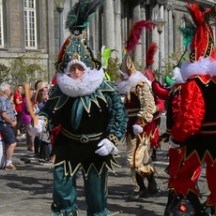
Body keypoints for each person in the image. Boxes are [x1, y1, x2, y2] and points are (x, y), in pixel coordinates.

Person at [29, 1, 128, 215]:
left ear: (88, 67)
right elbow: (50, 112)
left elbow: (118, 115)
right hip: (68, 145)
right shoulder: (60, 90)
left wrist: (112, 139)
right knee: (62, 190)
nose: (75, 72)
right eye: (72, 68)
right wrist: (43, 122)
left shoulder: (105, 89)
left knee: (96, 196)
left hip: (96, 145)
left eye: (79, 68)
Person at [163, 3, 216, 215]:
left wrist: (177, 137)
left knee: (181, 179)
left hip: (199, 141)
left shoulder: (194, 82)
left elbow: (190, 118)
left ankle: (193, 210)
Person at [117, 20, 159, 200]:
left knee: (134, 158)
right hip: (129, 125)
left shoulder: (140, 84)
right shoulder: (124, 87)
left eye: (122, 71)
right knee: (140, 158)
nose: (120, 74)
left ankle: (143, 187)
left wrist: (141, 122)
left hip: (140, 126)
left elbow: (148, 103)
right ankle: (150, 185)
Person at [0, 83, 17, 170]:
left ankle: (6, 161)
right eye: (10, 89)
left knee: (8, 143)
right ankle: (8, 163)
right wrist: (11, 122)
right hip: (5, 124)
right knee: (12, 143)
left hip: (7, 124)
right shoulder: (2, 100)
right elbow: (4, 114)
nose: (11, 90)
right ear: (6, 90)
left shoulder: (7, 100)